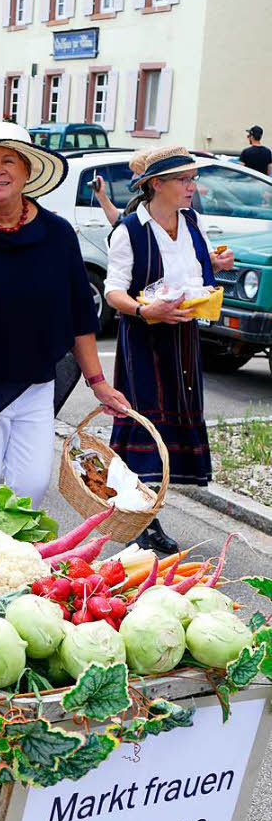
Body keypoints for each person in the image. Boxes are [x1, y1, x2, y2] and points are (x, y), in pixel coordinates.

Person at [0, 121, 129, 506]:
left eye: (8, 160)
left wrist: (98, 381)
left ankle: (13, 561)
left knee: (31, 486)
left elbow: (80, 316)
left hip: (35, 384)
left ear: (27, 171)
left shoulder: (58, 236)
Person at [104, 146, 236, 553]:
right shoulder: (130, 229)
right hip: (144, 342)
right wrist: (147, 309)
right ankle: (141, 522)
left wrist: (219, 263)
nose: (192, 187)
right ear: (156, 184)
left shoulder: (192, 221)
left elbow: (196, 271)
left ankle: (149, 518)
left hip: (184, 340)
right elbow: (113, 293)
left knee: (170, 434)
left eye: (193, 179)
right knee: (146, 431)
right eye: (184, 180)